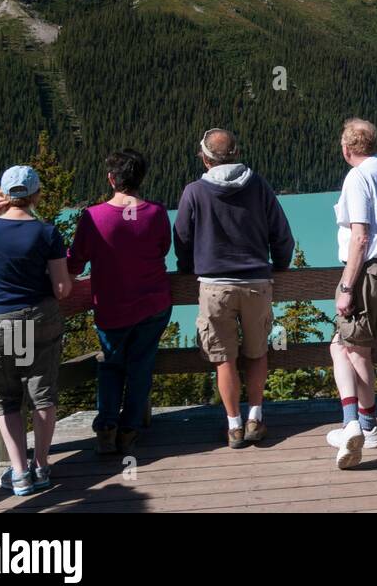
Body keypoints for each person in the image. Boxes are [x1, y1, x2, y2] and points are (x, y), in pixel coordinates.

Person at [174, 129, 293, 448]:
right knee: (257, 352)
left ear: (204, 157)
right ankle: (256, 417)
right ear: (236, 154)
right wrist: (280, 264)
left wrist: (186, 270)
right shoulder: (259, 186)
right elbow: (282, 234)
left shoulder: (194, 192)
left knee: (224, 358)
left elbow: (183, 238)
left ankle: (234, 426)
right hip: (256, 283)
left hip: (214, 287)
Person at [0, 165, 74, 497]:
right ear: (36, 195)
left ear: (3, 194)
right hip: (40, 317)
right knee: (42, 395)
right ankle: (41, 466)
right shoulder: (47, 233)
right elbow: (61, 288)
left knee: (6, 399)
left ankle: (18, 474)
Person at [66, 149, 172, 456]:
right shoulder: (156, 213)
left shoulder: (93, 217)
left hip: (112, 308)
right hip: (153, 305)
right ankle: (129, 429)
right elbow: (163, 249)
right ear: (140, 178)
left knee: (111, 366)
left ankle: (107, 429)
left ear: (111, 179)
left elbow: (75, 263)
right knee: (141, 366)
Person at [325, 118, 377, 469]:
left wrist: (346, 287)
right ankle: (357, 422)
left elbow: (361, 236)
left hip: (366, 273)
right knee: (350, 347)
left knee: (353, 351)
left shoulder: (357, 178)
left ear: (346, 149)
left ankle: (362, 426)